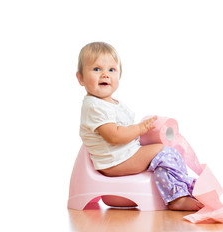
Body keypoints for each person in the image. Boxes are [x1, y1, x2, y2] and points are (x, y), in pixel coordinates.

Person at [76, 42, 203, 211]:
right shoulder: (95, 106)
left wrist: (142, 132)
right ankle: (176, 197)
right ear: (81, 78)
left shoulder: (109, 103)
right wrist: (140, 129)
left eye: (112, 70)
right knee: (165, 153)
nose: (105, 75)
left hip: (121, 155)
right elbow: (114, 135)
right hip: (116, 161)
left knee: (164, 150)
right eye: (97, 69)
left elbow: (124, 133)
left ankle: (180, 189)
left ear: (119, 75)